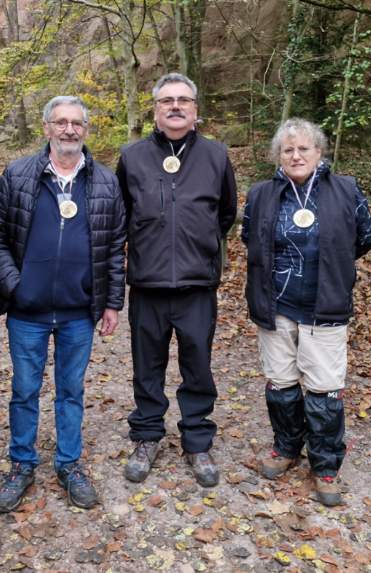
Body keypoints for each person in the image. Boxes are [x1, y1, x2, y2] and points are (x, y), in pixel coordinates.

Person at [0, 96, 126, 512]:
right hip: (27, 312)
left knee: (71, 391)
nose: (69, 129)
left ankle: (69, 464)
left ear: (86, 129)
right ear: (46, 128)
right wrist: (13, 283)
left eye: (76, 123)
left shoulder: (105, 181)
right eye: (60, 122)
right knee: (25, 389)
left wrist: (112, 302)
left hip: (79, 311)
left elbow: (115, 246)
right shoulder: (19, 174)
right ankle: (21, 464)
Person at [241, 118, 371, 506]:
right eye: (288, 149)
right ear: (278, 155)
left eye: (304, 148)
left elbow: (364, 237)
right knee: (280, 383)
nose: (296, 155)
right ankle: (286, 447)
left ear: (319, 152)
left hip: (324, 305)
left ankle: (326, 465)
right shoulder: (261, 194)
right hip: (275, 305)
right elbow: (250, 238)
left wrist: (333, 267)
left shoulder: (345, 189)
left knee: (324, 390)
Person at [116, 73, 237, 487]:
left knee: (197, 365)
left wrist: (200, 246)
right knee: (146, 365)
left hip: (197, 284)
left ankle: (197, 440)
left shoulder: (216, 156)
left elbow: (225, 213)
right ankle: (147, 435)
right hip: (147, 284)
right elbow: (122, 214)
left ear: (195, 110)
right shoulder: (132, 157)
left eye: (184, 100)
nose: (175, 106)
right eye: (167, 100)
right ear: (155, 110)